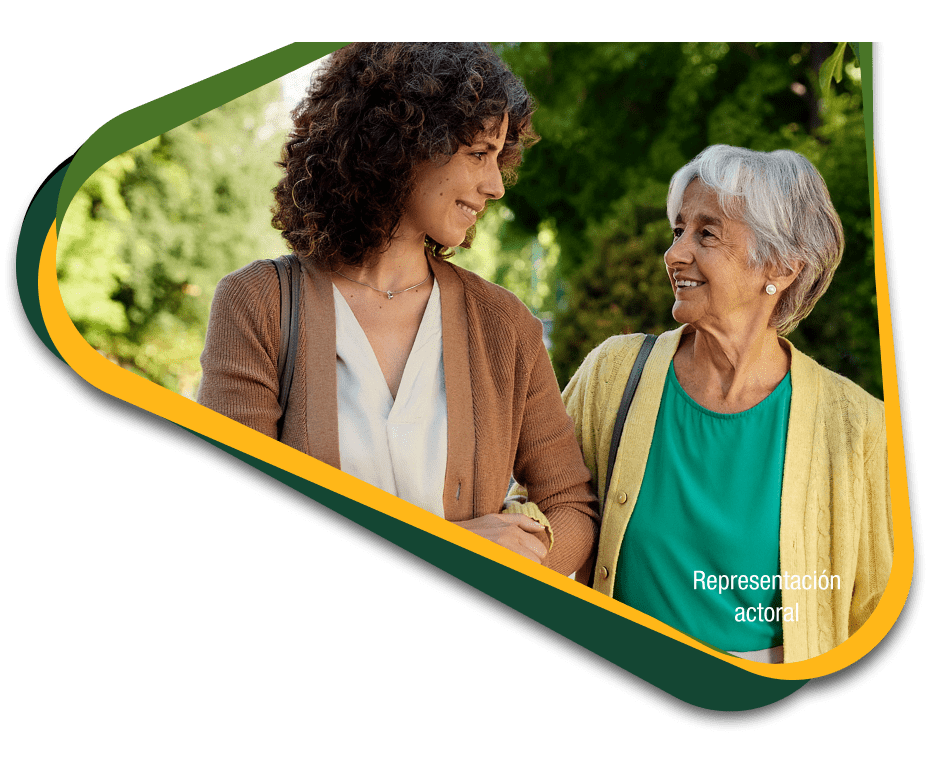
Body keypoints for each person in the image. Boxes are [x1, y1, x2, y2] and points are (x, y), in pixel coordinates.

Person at [197, 43, 598, 575]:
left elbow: (572, 507)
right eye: (478, 154)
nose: (496, 185)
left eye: (499, 159)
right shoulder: (260, 305)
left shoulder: (505, 327)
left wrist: (529, 551)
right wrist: (453, 547)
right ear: (405, 144)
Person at [565, 145, 892, 663]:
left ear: (782, 267)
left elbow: (882, 611)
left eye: (706, 233)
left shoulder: (857, 428)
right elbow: (543, 503)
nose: (675, 254)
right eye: (678, 231)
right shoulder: (614, 374)